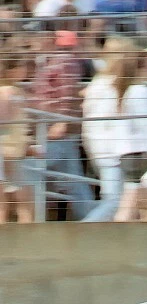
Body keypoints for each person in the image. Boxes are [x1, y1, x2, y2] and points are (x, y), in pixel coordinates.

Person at [81, 37, 147, 221]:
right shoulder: (107, 86)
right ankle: (84, 233)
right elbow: (101, 124)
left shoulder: (111, 84)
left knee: (132, 201)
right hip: (112, 152)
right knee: (116, 202)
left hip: (114, 151)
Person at [30, 21, 95, 220]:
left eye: (36, 37)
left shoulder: (63, 60)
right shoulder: (45, 61)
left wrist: (63, 121)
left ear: (49, 38)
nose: (32, 41)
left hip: (57, 128)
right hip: (49, 127)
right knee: (73, 180)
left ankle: (92, 218)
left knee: (30, 167)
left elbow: (68, 91)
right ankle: (91, 219)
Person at [0, 53, 34, 223]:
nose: (25, 70)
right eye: (21, 66)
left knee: (20, 200)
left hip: (14, 151)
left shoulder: (16, 91)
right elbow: (3, 124)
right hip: (7, 152)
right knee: (16, 201)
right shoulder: (6, 92)